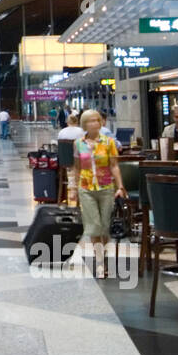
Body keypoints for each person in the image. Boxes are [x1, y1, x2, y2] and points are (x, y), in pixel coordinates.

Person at [72, 109, 126, 278]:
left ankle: (106, 258)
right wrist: (73, 189)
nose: (95, 123)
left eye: (97, 120)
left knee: (104, 226)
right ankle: (101, 263)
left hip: (106, 187)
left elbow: (114, 165)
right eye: (91, 121)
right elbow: (77, 168)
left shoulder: (109, 142)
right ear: (84, 124)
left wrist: (120, 186)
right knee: (94, 226)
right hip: (86, 187)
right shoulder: (78, 143)